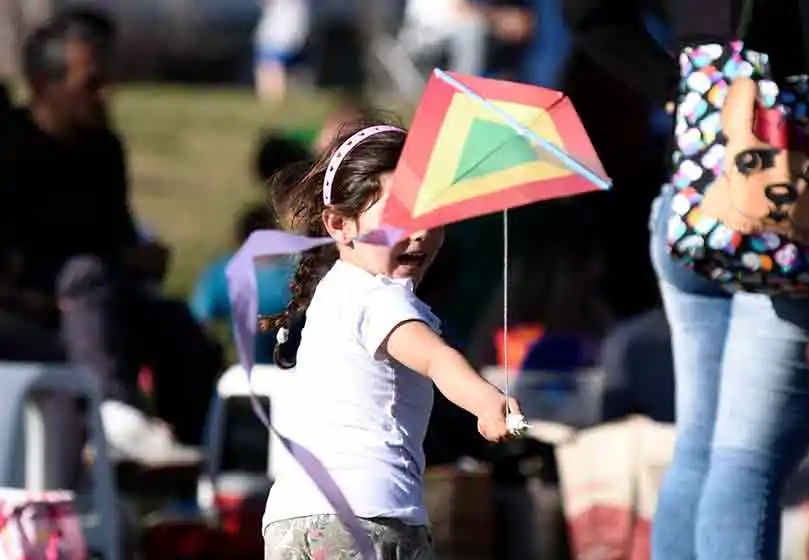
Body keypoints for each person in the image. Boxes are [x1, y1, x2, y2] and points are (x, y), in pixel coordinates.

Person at [562, 0, 809, 558]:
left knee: (699, 448)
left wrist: (675, 87)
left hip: (691, 197)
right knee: (746, 461)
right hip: (787, 212)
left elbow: (586, 15)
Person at [259, 118, 523, 558]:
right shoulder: (380, 299)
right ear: (339, 224)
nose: (419, 233)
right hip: (369, 515)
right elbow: (435, 359)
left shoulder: (334, 293)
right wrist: (485, 401)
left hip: (293, 517)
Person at [0, 9, 223, 464]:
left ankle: (191, 468)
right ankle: (112, 412)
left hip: (100, 307)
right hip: (25, 312)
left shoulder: (104, 149)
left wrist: (139, 259)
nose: (107, 93)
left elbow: (115, 237)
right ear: (45, 84)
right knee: (84, 276)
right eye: (91, 82)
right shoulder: (11, 147)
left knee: (180, 329)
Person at [191, 203, 295, 364]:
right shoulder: (298, 274)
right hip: (294, 375)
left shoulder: (223, 273)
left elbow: (197, 323)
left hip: (243, 378)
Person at [253, 0, 309, 102]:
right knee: (276, 66)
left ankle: (272, 99)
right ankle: (275, 98)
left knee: (270, 66)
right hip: (289, 31)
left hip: (279, 33)